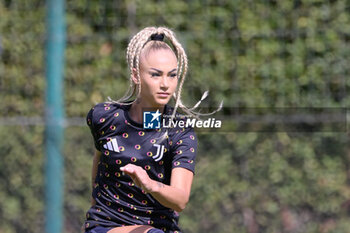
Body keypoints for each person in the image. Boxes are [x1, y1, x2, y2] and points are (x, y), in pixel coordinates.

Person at [83, 26, 201, 233]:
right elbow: (98, 164)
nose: (165, 84)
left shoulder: (179, 131)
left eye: (172, 75)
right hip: (107, 226)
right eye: (156, 75)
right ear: (136, 76)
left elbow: (180, 200)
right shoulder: (104, 117)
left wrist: (150, 184)